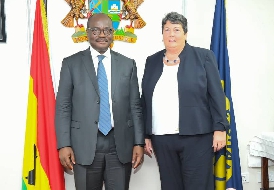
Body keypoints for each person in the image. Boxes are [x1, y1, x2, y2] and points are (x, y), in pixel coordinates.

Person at [55, 13, 144, 190]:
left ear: (113, 33)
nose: (102, 35)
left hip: (119, 145)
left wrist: (138, 142)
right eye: (95, 30)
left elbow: (135, 106)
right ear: (87, 33)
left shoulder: (128, 64)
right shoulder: (71, 64)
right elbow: (63, 107)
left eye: (107, 30)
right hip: (84, 144)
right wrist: (64, 145)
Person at [141, 12, 228, 190]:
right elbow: (145, 100)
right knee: (170, 185)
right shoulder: (152, 61)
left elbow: (216, 95)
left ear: (185, 34)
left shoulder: (203, 56)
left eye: (176, 29)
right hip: (161, 138)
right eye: (167, 29)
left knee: (197, 186)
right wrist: (146, 134)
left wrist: (220, 128)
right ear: (162, 34)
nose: (171, 34)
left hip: (197, 136)